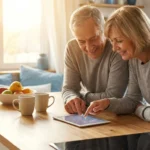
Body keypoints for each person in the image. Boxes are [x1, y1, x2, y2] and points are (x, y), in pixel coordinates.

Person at [84, 5, 150, 121]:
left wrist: (140, 110)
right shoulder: (134, 59)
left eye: (119, 41)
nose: (114, 48)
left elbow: (136, 106)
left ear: (137, 36)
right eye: (112, 41)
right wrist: (107, 103)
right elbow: (133, 100)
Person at [62, 5, 128, 115]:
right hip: (92, 113)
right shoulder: (72, 48)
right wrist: (71, 98)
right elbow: (69, 89)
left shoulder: (116, 48)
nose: (88, 47)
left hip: (121, 115)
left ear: (104, 31)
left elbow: (114, 96)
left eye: (93, 38)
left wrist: (82, 97)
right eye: (81, 41)